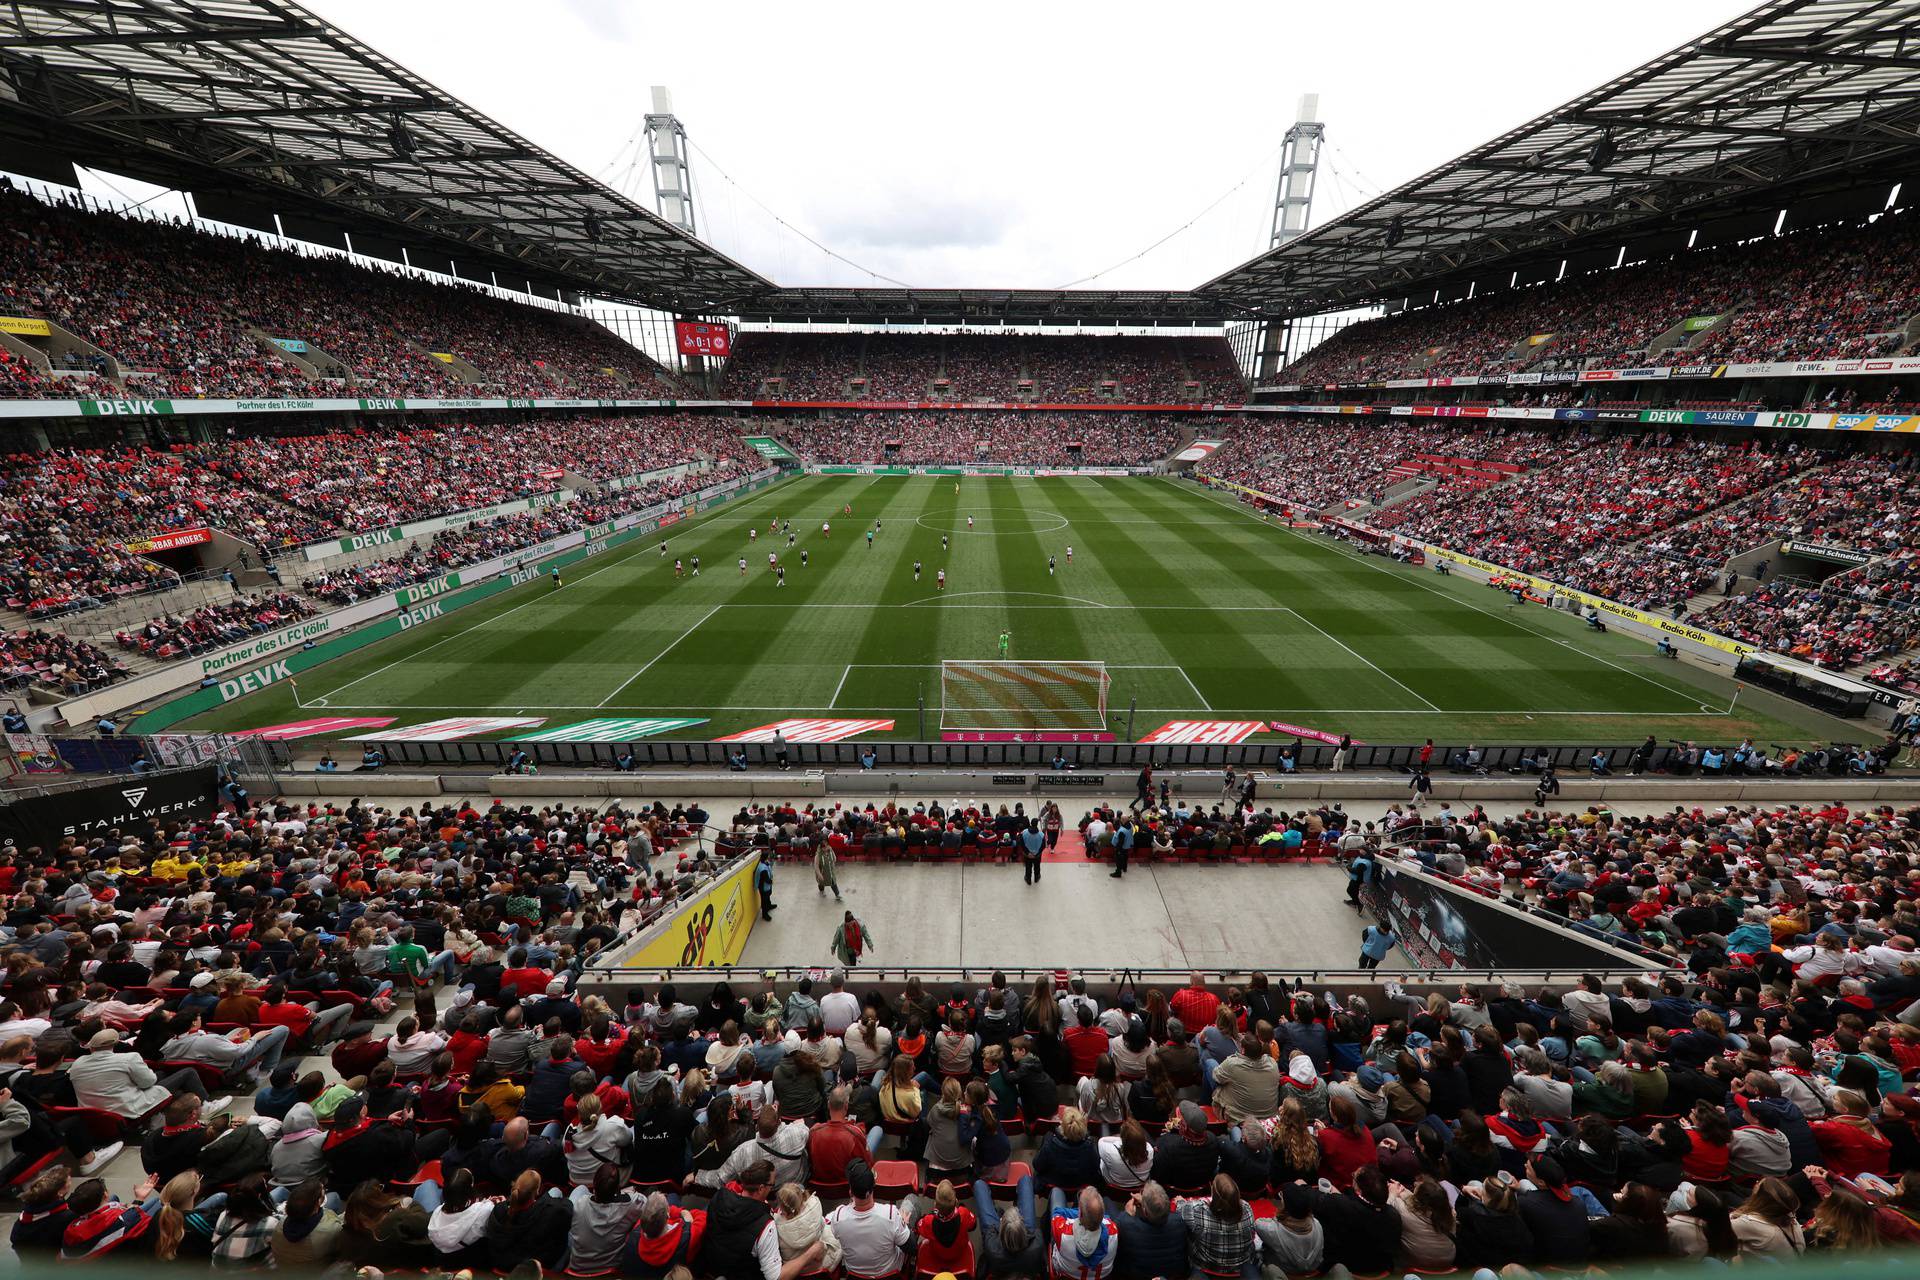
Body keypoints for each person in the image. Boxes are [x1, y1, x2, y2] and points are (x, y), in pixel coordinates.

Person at [756, 853, 778, 922]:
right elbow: (766, 880)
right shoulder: (762, 869)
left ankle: (769, 905)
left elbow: (769, 866)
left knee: (768, 896)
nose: (769, 858)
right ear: (766, 858)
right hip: (763, 887)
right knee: (764, 900)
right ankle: (764, 914)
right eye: (768, 857)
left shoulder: (765, 863)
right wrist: (771, 881)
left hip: (767, 886)